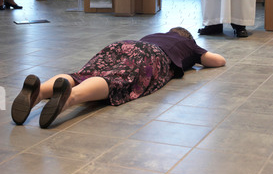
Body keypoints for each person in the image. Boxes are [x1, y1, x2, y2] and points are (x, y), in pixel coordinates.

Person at [11, 27, 226, 128]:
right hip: (150, 56)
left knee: (83, 74)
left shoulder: (154, 35)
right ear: (186, 36)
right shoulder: (188, 44)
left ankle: (38, 93)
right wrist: (197, 51)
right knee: (116, 80)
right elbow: (217, 61)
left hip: (123, 44)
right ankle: (70, 98)